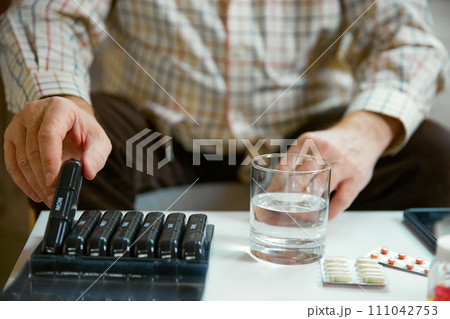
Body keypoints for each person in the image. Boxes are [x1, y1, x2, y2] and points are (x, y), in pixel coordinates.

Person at [1, 0, 449, 220]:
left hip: (304, 143)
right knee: (72, 144)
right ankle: (97, 283)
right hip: (157, 137)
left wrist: (363, 134)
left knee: (432, 154)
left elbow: (406, 38)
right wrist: (61, 96)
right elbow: (50, 14)